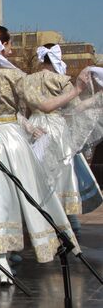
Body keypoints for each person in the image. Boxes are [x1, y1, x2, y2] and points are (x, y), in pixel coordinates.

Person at [0, 25, 80, 285]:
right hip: (11, 138)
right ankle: (48, 241)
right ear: (2, 46)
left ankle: (0, 260)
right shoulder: (12, 75)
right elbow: (42, 105)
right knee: (27, 192)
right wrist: (75, 91)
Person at [22, 44, 101, 235]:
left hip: (35, 125)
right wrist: (96, 98)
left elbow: (23, 108)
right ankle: (69, 220)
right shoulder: (63, 81)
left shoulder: (28, 80)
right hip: (57, 128)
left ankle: (39, 217)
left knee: (36, 172)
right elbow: (75, 108)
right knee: (62, 171)